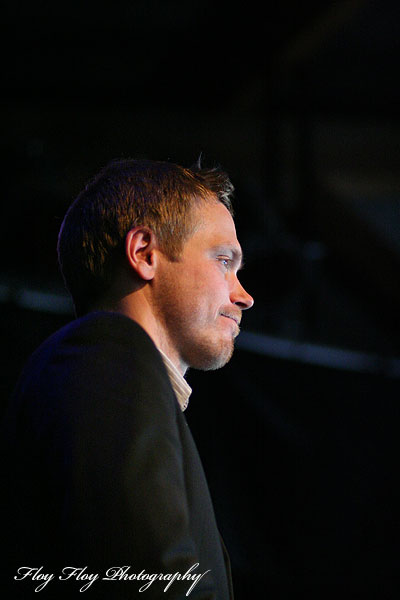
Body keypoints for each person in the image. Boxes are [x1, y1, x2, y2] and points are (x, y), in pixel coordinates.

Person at [2, 158, 254, 598]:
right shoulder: (107, 356)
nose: (244, 296)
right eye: (223, 260)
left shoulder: (108, 371)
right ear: (144, 253)